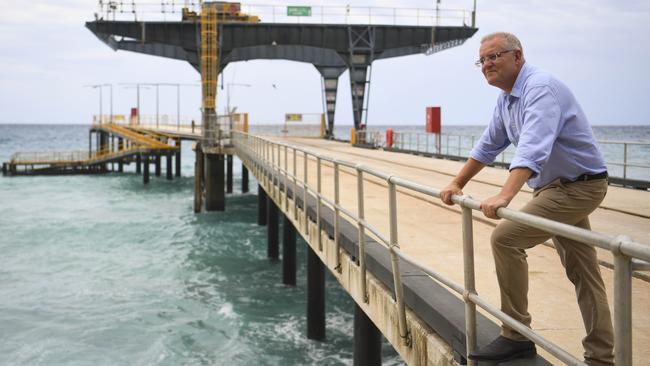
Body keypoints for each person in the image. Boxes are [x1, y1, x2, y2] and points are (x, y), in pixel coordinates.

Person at [439, 32, 614, 365]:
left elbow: (534, 145)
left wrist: (506, 194)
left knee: (506, 238)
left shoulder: (540, 88)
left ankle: (516, 335)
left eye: (494, 57)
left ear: (517, 56)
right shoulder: (506, 99)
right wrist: (457, 182)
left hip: (579, 186)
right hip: (555, 187)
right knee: (584, 273)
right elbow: (489, 144)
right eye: (482, 60)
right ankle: (602, 358)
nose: (487, 64)